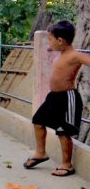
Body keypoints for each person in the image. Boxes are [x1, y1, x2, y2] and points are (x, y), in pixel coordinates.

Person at [23, 20, 90, 177]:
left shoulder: (74, 55)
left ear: (60, 41)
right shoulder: (61, 53)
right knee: (38, 120)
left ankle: (67, 164)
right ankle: (40, 152)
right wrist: (51, 46)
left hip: (68, 98)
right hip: (53, 97)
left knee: (63, 131)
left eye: (51, 39)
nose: (49, 43)